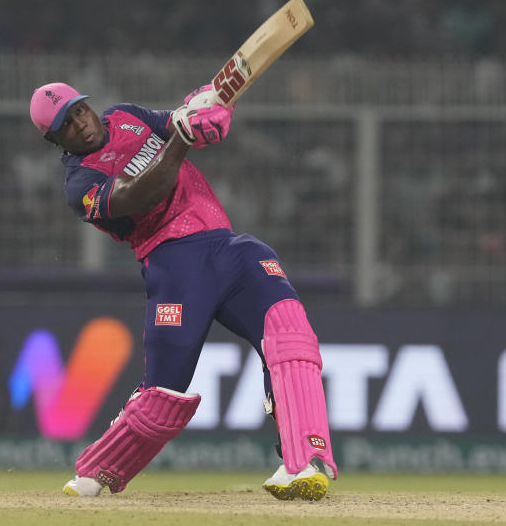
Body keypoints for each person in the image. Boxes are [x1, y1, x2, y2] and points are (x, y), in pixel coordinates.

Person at [29, 82, 338, 501]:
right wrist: (183, 138)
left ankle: (305, 460)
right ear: (53, 139)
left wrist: (209, 106)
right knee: (162, 394)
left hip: (228, 248)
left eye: (79, 111)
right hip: (174, 266)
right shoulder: (80, 183)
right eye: (66, 125)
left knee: (291, 336)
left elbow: (182, 119)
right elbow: (142, 193)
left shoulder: (125, 116)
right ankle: (97, 471)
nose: (81, 125)